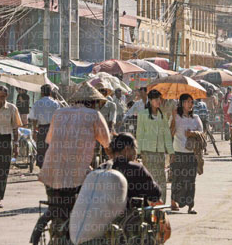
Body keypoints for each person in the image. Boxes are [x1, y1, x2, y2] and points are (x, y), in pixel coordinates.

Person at [31, 82, 111, 245]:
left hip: (51, 171)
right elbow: (107, 144)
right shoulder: (94, 115)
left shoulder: (59, 113)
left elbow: (50, 139)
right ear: (94, 103)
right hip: (76, 176)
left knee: (57, 207)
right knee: (86, 208)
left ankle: (57, 233)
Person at [136, 89, 174, 202]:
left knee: (161, 178)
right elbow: (140, 134)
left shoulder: (162, 116)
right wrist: (138, 152)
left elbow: (167, 135)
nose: (159, 101)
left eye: (159, 99)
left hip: (160, 153)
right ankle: (149, 202)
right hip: (147, 152)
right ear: (151, 100)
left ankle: (161, 202)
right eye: (156, 99)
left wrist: (171, 152)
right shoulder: (142, 115)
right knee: (149, 178)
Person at [170, 93, 203, 214]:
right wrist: (173, 118)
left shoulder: (196, 118)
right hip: (178, 152)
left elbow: (202, 134)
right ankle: (174, 201)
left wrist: (193, 133)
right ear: (182, 103)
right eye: (188, 102)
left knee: (190, 180)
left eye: (192, 102)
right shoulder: (176, 117)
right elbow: (171, 133)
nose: (191, 104)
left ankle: (191, 205)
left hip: (192, 154)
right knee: (177, 179)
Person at [110, 133, 162, 205]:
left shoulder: (104, 167)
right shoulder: (137, 169)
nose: (136, 152)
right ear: (127, 149)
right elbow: (155, 194)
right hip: (132, 214)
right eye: (135, 148)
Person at [28, 84, 60, 169]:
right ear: (50, 92)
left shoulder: (37, 103)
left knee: (41, 149)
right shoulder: (55, 103)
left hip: (41, 129)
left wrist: (34, 130)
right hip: (53, 129)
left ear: (41, 93)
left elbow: (34, 119)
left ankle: (42, 168)